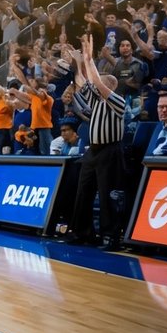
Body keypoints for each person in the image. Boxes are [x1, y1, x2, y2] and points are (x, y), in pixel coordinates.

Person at [66, 34, 130, 249]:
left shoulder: (117, 102)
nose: (96, 85)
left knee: (107, 195)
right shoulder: (97, 101)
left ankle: (110, 236)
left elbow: (94, 82)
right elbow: (82, 82)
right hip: (92, 151)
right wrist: (79, 63)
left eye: (101, 82)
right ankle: (82, 233)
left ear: (109, 85)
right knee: (83, 192)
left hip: (110, 151)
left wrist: (89, 59)